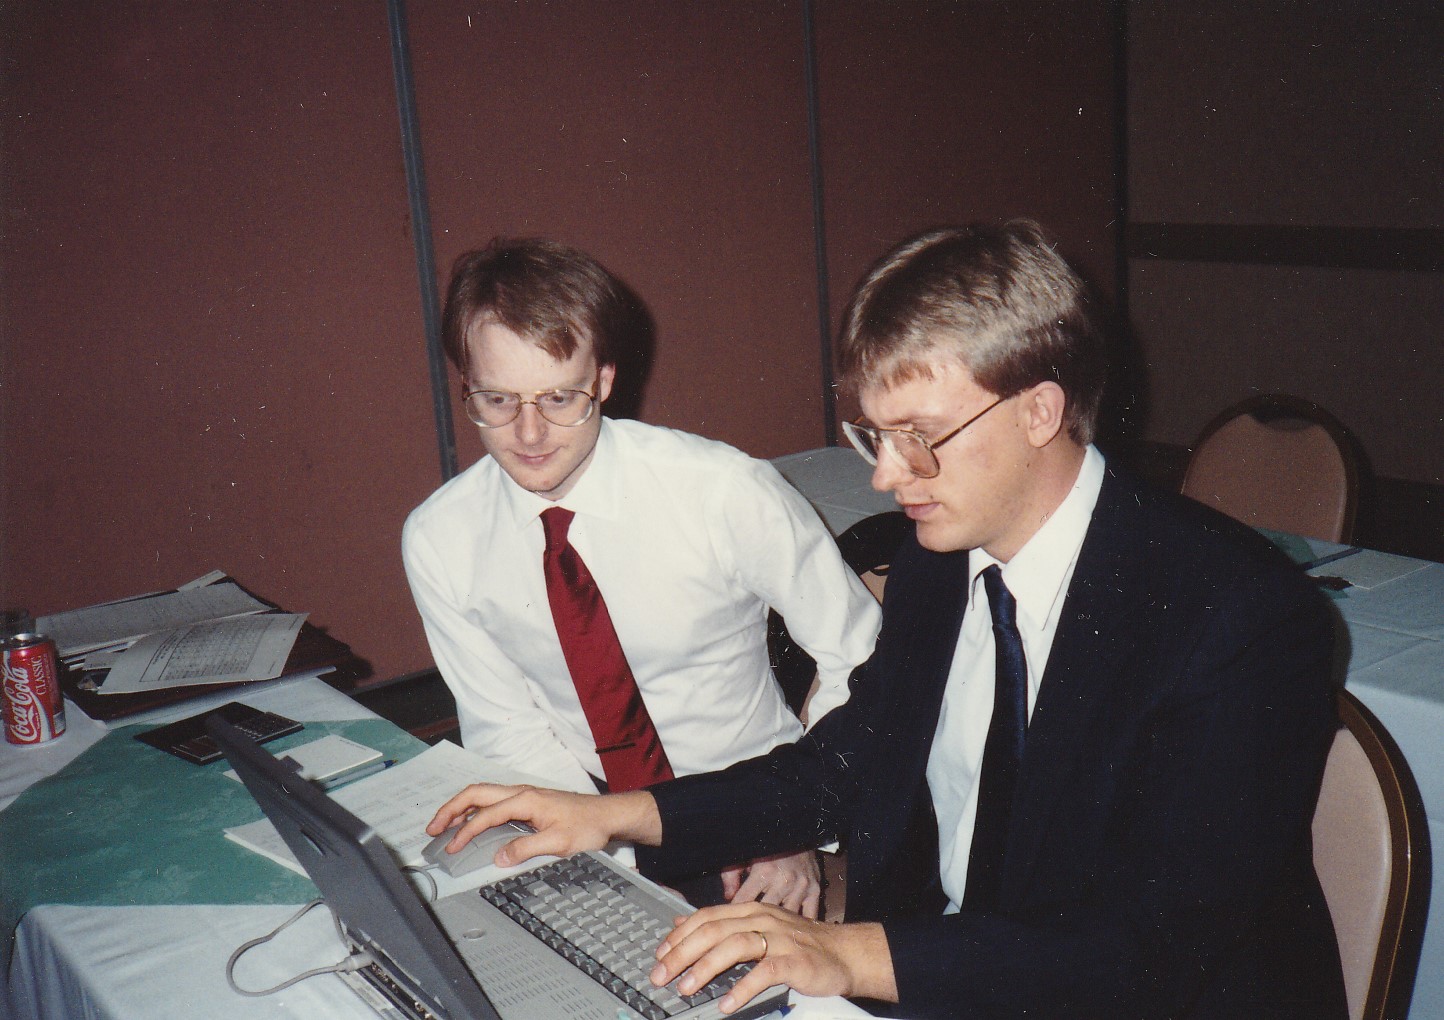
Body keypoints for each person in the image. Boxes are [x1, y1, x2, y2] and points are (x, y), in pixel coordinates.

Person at [427, 221, 1348, 1018]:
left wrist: (849, 954)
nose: (884, 476)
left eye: (920, 437)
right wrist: (614, 817)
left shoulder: (1239, 615)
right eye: (875, 435)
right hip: (950, 974)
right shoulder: (938, 566)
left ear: (1039, 410)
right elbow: (844, 763)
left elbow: (1149, 949)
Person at [403, 238, 882, 917]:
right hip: (580, 809)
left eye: (560, 397)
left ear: (602, 381)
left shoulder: (721, 491)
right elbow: (506, 728)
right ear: (467, 386)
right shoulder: (441, 538)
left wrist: (791, 818)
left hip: (753, 814)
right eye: (498, 400)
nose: (530, 433)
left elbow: (861, 659)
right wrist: (603, 862)